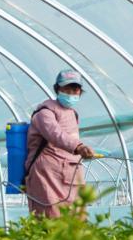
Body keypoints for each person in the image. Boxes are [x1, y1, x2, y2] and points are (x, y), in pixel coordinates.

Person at [24, 69, 96, 218]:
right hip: (47, 174)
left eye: (75, 89)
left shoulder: (72, 113)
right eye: (67, 88)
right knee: (51, 218)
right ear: (57, 89)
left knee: (77, 219)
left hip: (70, 173)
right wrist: (78, 147)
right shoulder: (45, 112)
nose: (71, 92)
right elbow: (55, 134)